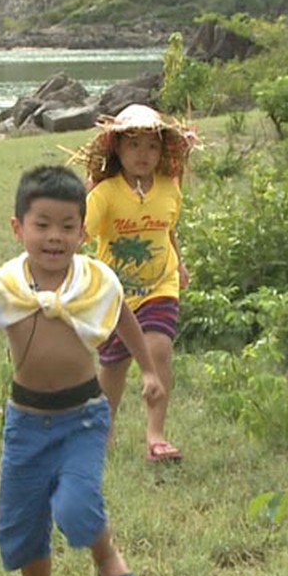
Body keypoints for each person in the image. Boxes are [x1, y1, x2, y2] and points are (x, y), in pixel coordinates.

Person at [0, 165, 165, 576]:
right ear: (17, 227)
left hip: (83, 416)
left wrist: (149, 370)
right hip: (25, 424)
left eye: (67, 227)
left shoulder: (94, 280)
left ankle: (107, 558)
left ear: (82, 232)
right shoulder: (4, 286)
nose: (54, 237)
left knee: (75, 504)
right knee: (22, 524)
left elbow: (123, 316)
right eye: (41, 225)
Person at [72, 103, 195, 462]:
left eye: (152, 146)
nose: (143, 154)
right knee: (113, 366)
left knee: (158, 350)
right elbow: (80, 234)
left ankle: (155, 435)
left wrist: (180, 264)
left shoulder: (170, 189)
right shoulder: (105, 193)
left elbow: (167, 230)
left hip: (161, 286)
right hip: (115, 295)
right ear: (118, 150)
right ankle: (103, 432)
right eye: (134, 145)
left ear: (163, 152)